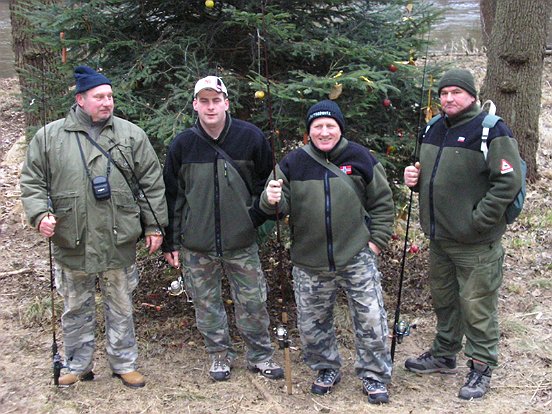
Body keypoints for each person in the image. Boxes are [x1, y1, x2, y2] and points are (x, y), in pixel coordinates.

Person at [20, 66, 168, 389]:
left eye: (110, 96)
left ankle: (124, 363)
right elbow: (32, 181)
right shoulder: (50, 137)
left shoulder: (131, 135)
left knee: (121, 304)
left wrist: (154, 227)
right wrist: (40, 214)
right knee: (75, 306)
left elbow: (152, 183)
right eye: (99, 97)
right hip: (73, 236)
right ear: (80, 100)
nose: (107, 102)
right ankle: (77, 364)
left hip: (119, 236)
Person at [258, 100, 395, 404]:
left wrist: (375, 243)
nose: (324, 132)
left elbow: (383, 204)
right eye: (317, 126)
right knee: (312, 323)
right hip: (309, 260)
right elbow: (275, 208)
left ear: (340, 128)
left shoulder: (361, 158)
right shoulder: (292, 163)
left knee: (371, 319)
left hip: (357, 255)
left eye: (330, 125)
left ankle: (374, 374)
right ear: (309, 132)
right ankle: (325, 368)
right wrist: (270, 199)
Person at [403, 68, 523, 400]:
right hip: (440, 237)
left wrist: (478, 220)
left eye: (456, 92)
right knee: (445, 300)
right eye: (444, 93)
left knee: (477, 305)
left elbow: (508, 182)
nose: (449, 98)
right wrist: (415, 181)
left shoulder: (491, 130)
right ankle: (444, 354)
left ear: (471, 95)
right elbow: (433, 177)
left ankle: (481, 367)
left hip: (475, 242)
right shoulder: (433, 127)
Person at [162, 76, 283, 382]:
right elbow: (173, 197)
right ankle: (219, 354)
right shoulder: (182, 145)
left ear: (226, 103)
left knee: (253, 302)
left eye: (216, 100)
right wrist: (170, 242)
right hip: (197, 245)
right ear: (195, 105)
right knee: (206, 305)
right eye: (204, 101)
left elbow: (268, 190)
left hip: (241, 242)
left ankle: (260, 355)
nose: (210, 107)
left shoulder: (251, 138)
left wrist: (255, 226)